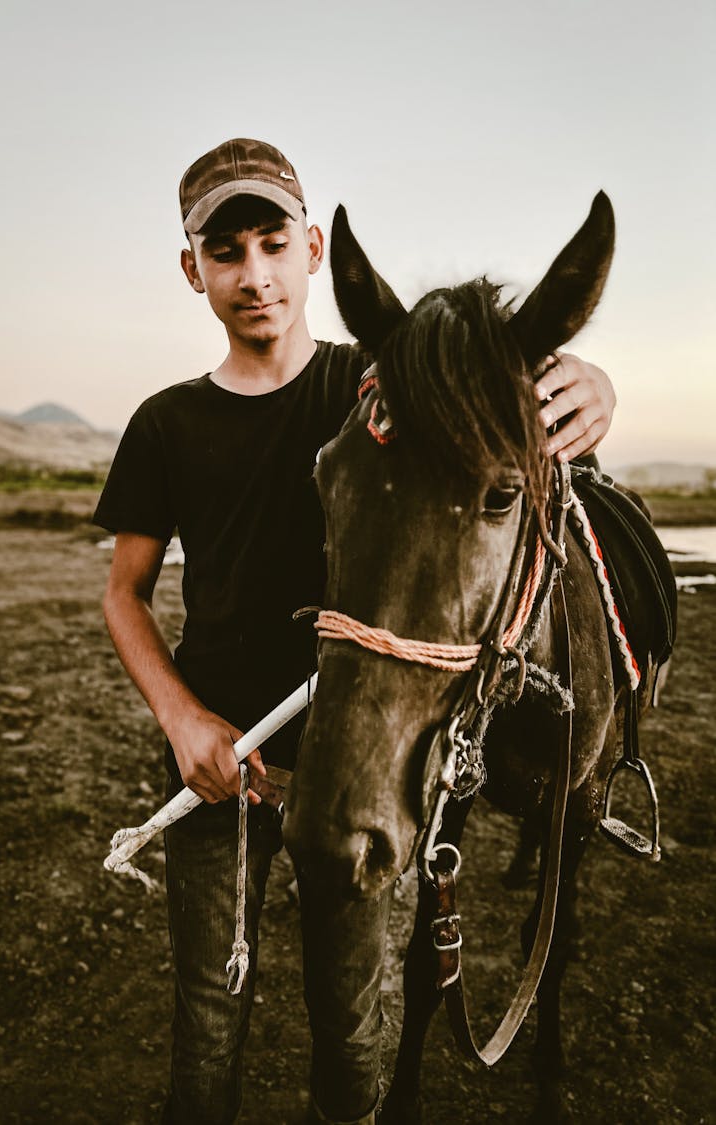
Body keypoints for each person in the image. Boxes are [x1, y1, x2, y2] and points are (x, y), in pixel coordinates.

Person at [94, 137, 617, 1125]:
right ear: (191, 268)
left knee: (355, 1024)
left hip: (359, 767)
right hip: (214, 764)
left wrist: (586, 379)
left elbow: (482, 383)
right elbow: (124, 592)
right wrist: (183, 723)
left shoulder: (374, 392)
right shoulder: (163, 423)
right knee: (207, 1020)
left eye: (271, 242)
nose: (252, 275)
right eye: (224, 251)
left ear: (312, 249)